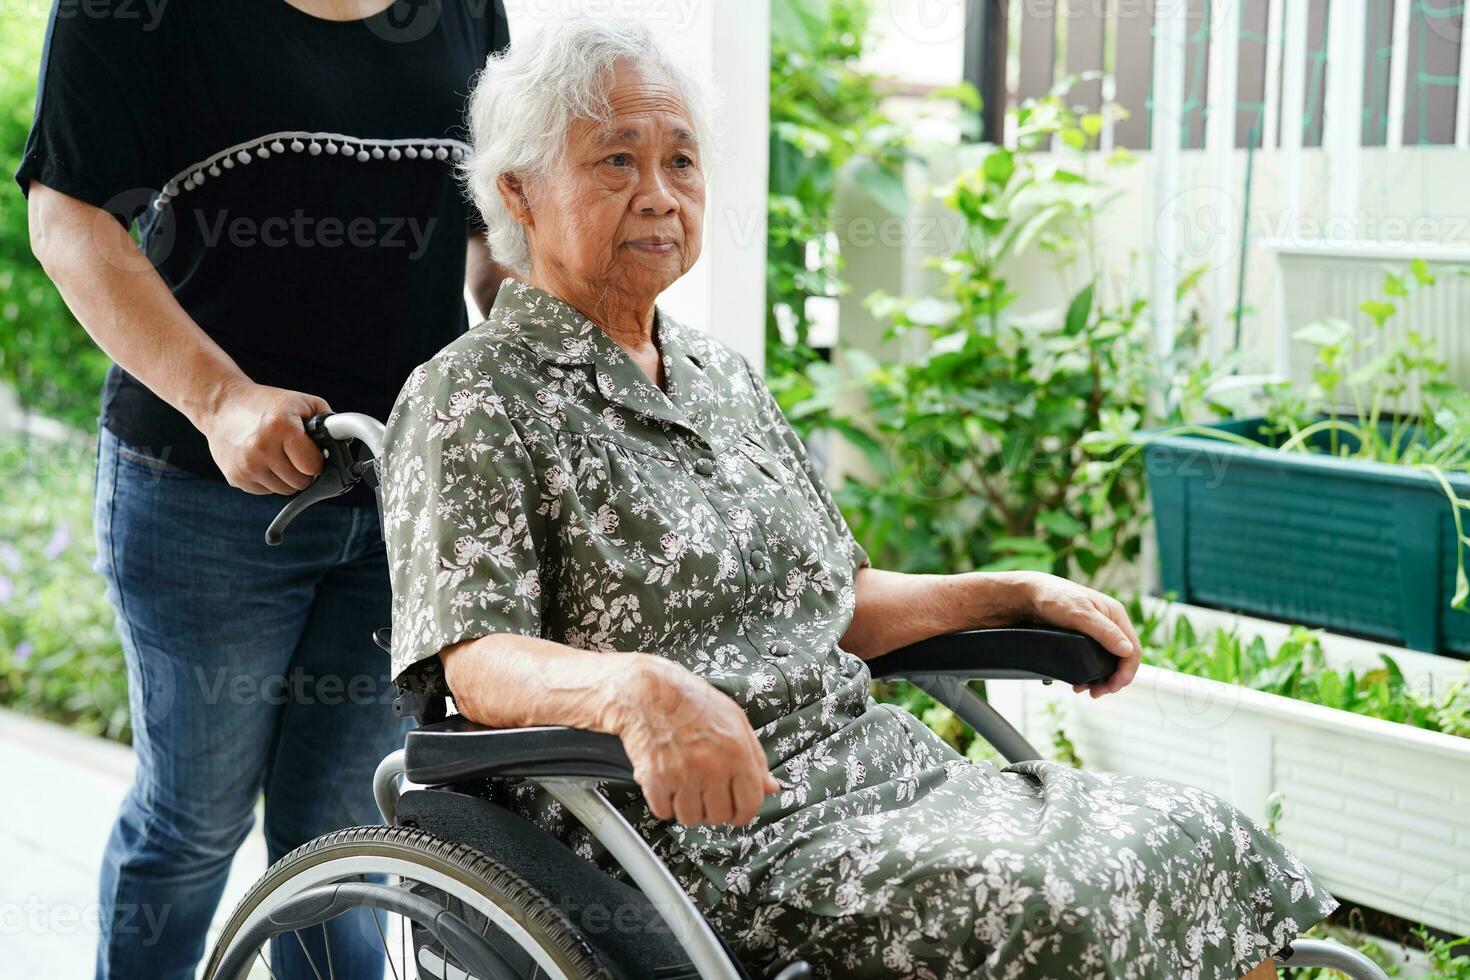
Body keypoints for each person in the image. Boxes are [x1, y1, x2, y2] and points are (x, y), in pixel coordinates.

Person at [380, 17, 1338, 980]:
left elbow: (836, 603)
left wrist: (1010, 592)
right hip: (698, 832)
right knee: (1063, 908)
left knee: (1195, 836)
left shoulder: (719, 374)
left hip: (884, 776)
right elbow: (478, 659)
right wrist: (636, 687)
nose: (660, 196)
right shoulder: (473, 392)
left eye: (682, 160)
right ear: (520, 193)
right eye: (617, 161)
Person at [17, 1, 513, 977]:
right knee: (192, 822)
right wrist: (221, 399)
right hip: (202, 494)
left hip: (401, 487)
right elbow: (66, 214)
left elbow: (490, 219)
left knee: (339, 837)